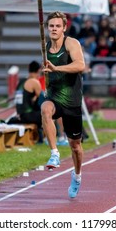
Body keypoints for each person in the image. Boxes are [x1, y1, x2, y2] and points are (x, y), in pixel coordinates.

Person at [41, 11, 85, 198]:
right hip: (55, 97)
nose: (54, 29)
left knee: (75, 146)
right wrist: (46, 82)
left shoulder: (71, 43)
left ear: (64, 28)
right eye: (51, 26)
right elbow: (47, 71)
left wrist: (56, 68)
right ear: (47, 28)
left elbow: (80, 65)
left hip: (72, 101)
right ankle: (54, 153)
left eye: (58, 26)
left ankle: (77, 175)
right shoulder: (45, 47)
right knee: (45, 109)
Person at [13, 60, 44, 143]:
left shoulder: (21, 81)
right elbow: (41, 100)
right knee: (51, 112)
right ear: (38, 70)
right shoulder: (35, 82)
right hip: (28, 116)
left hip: (20, 114)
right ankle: (54, 137)